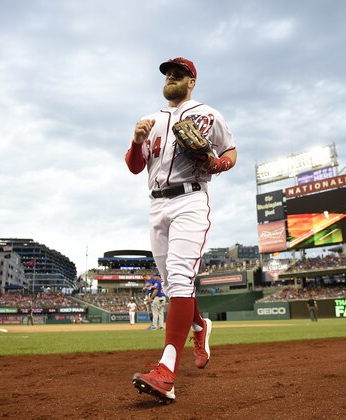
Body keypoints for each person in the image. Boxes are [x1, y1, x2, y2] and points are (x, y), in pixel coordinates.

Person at [126, 57, 237, 403]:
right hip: (156, 204)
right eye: (168, 74)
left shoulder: (209, 114)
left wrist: (217, 163)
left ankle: (166, 372)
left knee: (178, 276)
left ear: (191, 81)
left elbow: (231, 152)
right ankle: (199, 326)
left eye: (179, 73)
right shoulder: (152, 120)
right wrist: (134, 141)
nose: (171, 77)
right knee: (174, 285)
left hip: (190, 198)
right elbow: (134, 167)